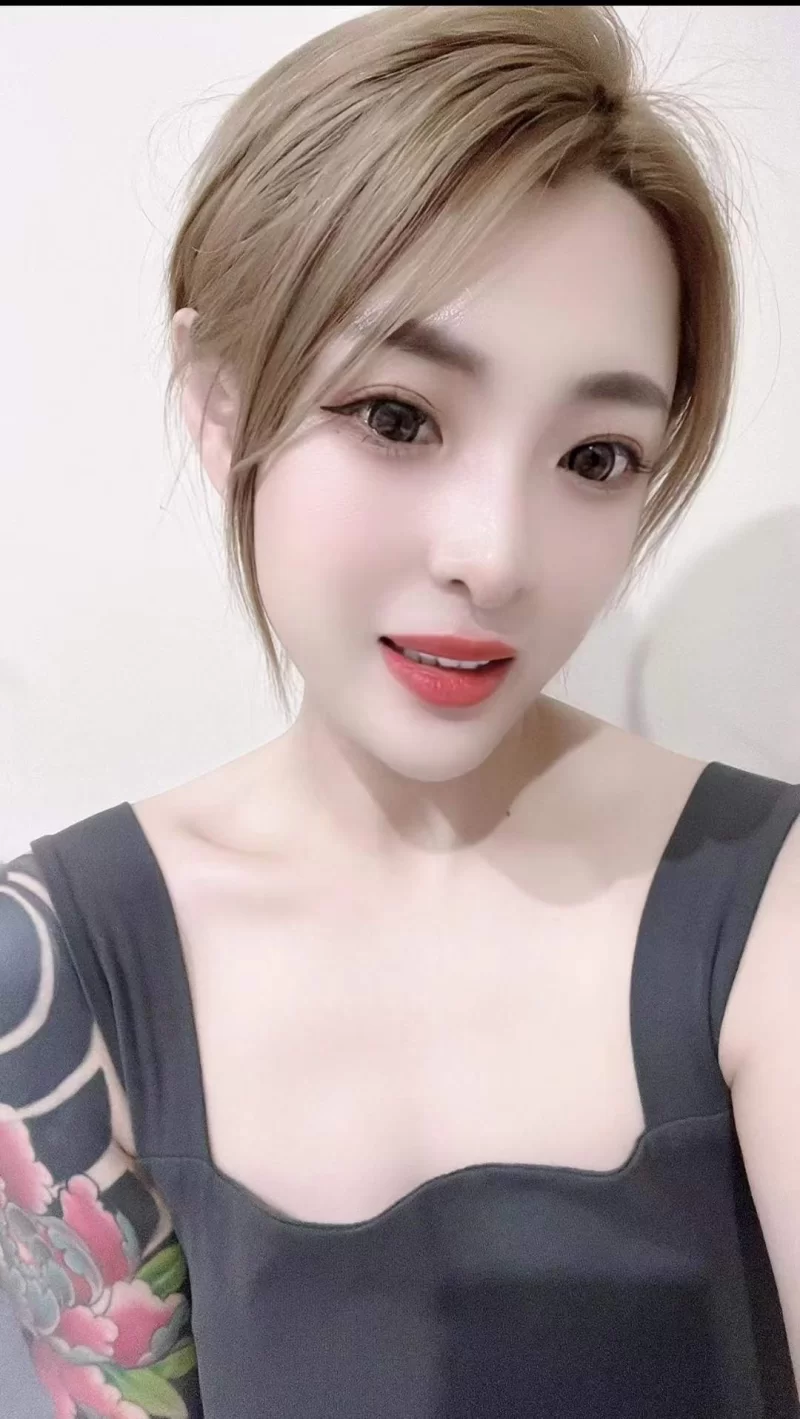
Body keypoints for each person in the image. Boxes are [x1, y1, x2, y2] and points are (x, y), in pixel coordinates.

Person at [1, 6, 798, 1417]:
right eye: (396, 417)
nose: (495, 555)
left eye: (596, 455)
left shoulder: (769, 909)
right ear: (221, 403)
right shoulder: (55, 969)